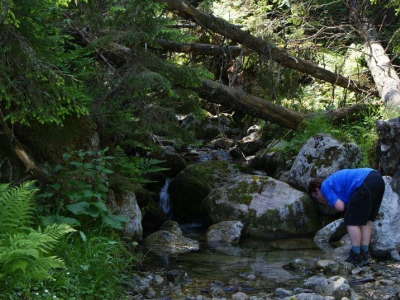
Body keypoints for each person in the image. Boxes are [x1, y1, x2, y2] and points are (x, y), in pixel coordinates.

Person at [308, 168, 385, 267]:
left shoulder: (325, 186)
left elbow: (340, 207)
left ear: (317, 191)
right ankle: (365, 254)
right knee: (364, 220)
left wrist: (329, 201)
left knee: (350, 221)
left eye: (316, 197)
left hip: (364, 181)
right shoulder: (333, 182)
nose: (318, 200)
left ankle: (356, 255)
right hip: (377, 179)